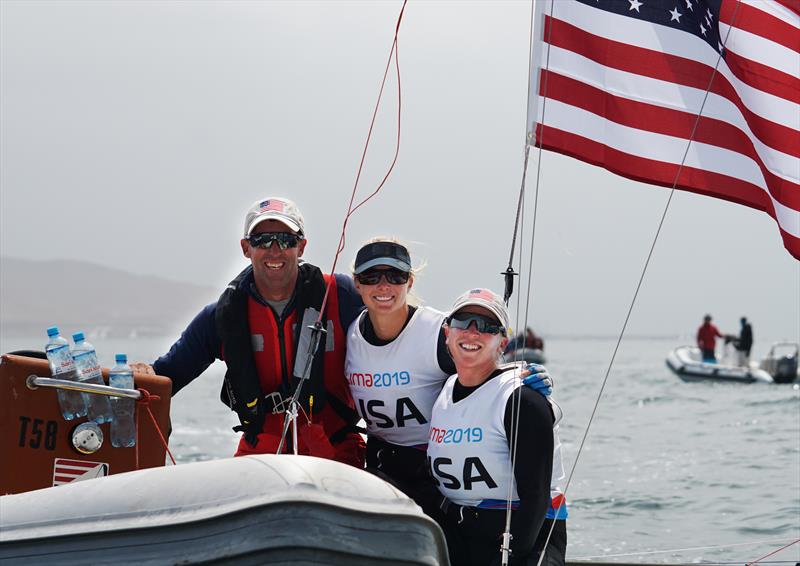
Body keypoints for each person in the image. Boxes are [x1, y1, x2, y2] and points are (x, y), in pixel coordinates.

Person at [131, 197, 365, 465]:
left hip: (336, 449)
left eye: (286, 240)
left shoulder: (340, 295)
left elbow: (392, 334)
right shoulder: (223, 315)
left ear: (301, 247)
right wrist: (142, 375)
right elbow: (166, 378)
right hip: (261, 452)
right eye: (262, 240)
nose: (274, 250)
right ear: (246, 248)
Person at [427, 288, 567, 566]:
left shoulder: (521, 399)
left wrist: (512, 555)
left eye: (488, 327)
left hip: (527, 533)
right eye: (462, 322)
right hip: (462, 529)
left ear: (503, 342)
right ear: (447, 334)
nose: (473, 332)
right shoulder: (444, 389)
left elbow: (536, 499)